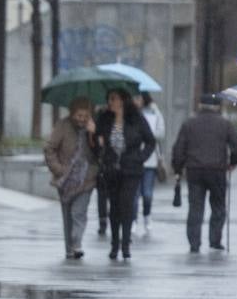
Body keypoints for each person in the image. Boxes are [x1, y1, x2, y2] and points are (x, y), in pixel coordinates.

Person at [171, 92, 237, 254]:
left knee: (195, 207)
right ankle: (215, 240)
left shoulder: (189, 124)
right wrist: (232, 163)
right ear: (217, 107)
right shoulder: (225, 124)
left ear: (200, 105)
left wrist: (178, 168)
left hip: (195, 170)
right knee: (218, 206)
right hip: (217, 170)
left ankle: (194, 243)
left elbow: (178, 149)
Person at [92, 87, 156, 261]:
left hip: (131, 170)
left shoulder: (136, 118)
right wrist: (95, 136)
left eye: (113, 99)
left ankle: (126, 244)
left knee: (126, 205)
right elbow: (96, 143)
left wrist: (140, 158)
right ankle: (114, 244)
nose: (110, 102)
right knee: (114, 207)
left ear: (122, 100)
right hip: (111, 169)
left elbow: (151, 141)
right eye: (109, 99)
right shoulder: (104, 118)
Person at [44, 96, 98, 260]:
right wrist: (58, 169)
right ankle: (70, 249)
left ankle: (77, 243)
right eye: (79, 115)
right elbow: (50, 148)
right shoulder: (62, 125)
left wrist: (93, 134)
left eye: (85, 116)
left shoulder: (94, 127)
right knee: (67, 216)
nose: (82, 119)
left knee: (78, 212)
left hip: (86, 178)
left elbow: (100, 151)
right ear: (72, 113)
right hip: (66, 179)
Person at [136, 92, 165, 235]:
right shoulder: (132, 113)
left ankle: (147, 216)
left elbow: (161, 133)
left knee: (147, 193)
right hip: (134, 159)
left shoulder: (155, 112)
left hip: (150, 159)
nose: (136, 100)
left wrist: (147, 133)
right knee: (134, 195)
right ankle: (133, 220)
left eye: (138, 98)